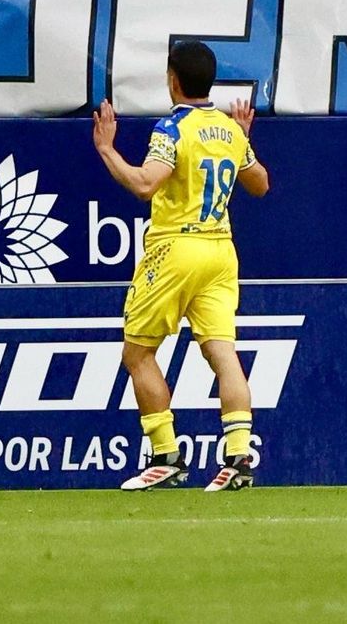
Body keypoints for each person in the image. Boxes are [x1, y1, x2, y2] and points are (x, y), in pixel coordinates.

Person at [92, 41, 271, 492]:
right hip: (220, 251)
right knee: (222, 352)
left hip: (177, 248)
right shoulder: (229, 130)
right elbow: (261, 185)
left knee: (137, 353)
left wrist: (108, 151)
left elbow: (145, 185)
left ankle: (166, 455)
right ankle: (237, 458)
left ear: (173, 79)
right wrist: (242, 142)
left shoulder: (172, 128)